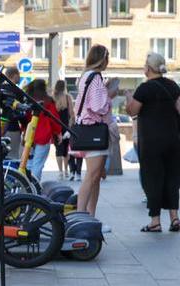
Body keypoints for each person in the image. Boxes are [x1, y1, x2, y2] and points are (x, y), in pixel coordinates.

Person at [128, 52, 180, 232]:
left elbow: (132, 111)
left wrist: (129, 99)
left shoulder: (144, 89)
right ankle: (175, 218)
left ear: (148, 69)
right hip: (173, 139)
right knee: (173, 177)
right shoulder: (173, 86)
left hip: (151, 142)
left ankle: (155, 221)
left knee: (153, 179)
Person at [72, 44, 115, 216]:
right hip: (95, 131)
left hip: (86, 129)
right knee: (91, 176)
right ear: (102, 59)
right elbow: (99, 107)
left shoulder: (86, 76)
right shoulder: (96, 78)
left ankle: (90, 216)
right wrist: (109, 96)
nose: (108, 61)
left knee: (95, 177)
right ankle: (81, 215)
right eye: (107, 57)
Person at [23, 79, 61, 181]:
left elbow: (25, 119)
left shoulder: (28, 100)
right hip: (44, 135)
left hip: (29, 135)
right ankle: (34, 187)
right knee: (38, 164)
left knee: (29, 162)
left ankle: (26, 184)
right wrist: (58, 132)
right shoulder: (48, 101)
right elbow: (55, 120)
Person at [52, 79, 79, 180]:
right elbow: (72, 115)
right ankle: (66, 171)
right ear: (64, 87)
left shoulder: (53, 98)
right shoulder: (68, 98)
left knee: (58, 149)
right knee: (66, 150)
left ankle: (60, 172)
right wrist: (70, 127)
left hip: (55, 127)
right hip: (66, 127)